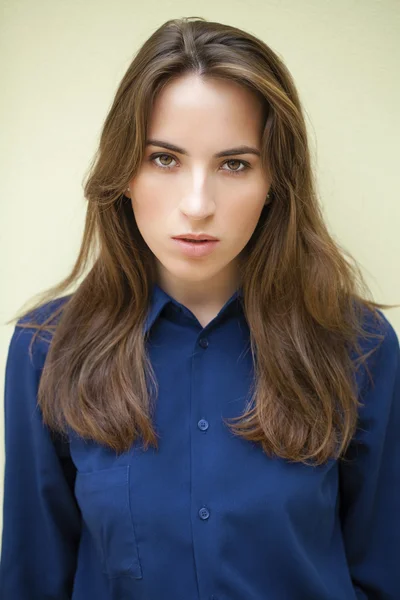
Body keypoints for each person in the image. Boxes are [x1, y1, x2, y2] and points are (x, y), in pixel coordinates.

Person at [0, 15, 399, 600]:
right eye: (164, 158)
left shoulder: (358, 344)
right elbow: (31, 580)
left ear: (274, 184)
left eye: (234, 164)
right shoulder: (44, 349)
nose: (196, 204)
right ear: (124, 171)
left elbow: (384, 572)